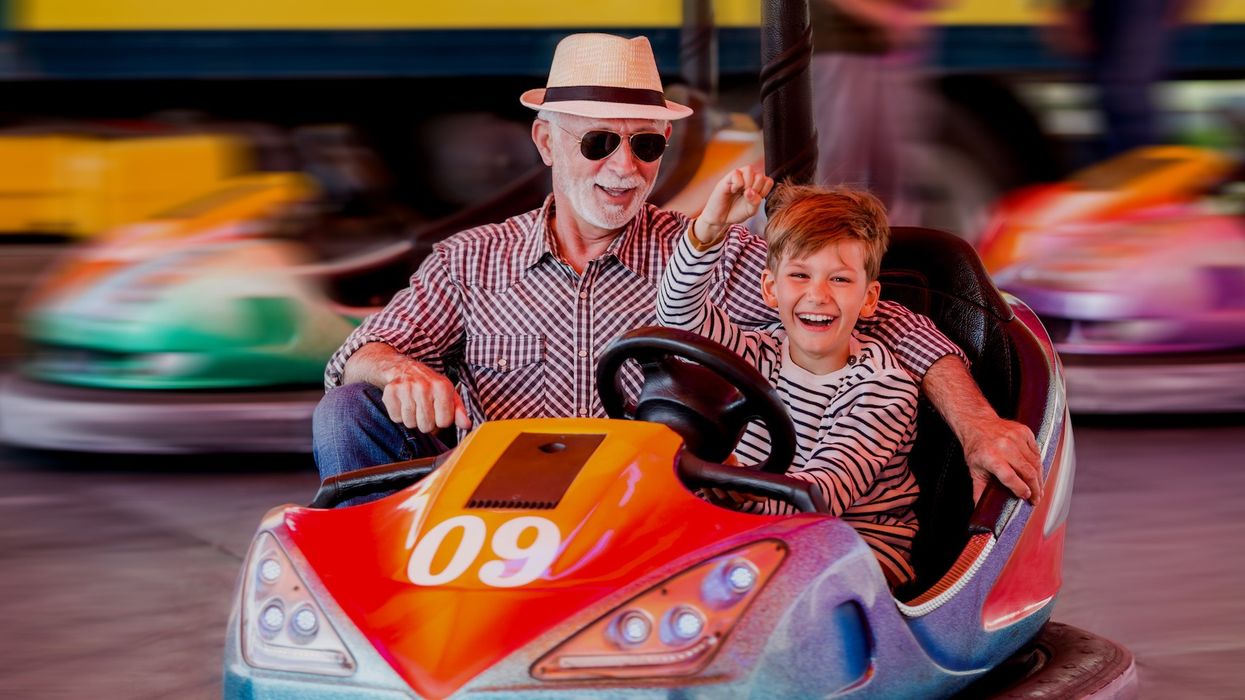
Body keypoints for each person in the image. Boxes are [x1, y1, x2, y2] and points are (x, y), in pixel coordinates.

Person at [312, 32, 1042, 506]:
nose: (624, 168)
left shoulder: (708, 253)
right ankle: (381, 617)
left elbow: (891, 325)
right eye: (598, 142)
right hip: (503, 516)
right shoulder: (471, 261)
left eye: (647, 146)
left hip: (653, 519)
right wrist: (401, 372)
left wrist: (978, 423)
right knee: (348, 412)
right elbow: (355, 355)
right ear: (545, 142)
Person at [659, 175, 921, 586]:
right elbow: (678, 315)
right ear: (770, 289)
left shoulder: (883, 389)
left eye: (839, 279)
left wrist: (734, 485)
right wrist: (708, 231)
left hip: (856, 548)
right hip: (754, 532)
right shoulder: (754, 354)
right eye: (800, 275)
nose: (818, 295)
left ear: (869, 298)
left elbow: (820, 497)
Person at [810, 0, 941, 224]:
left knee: (890, 173)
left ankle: (888, 236)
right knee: (841, 175)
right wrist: (886, 16)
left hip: (876, 51)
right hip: (844, 47)